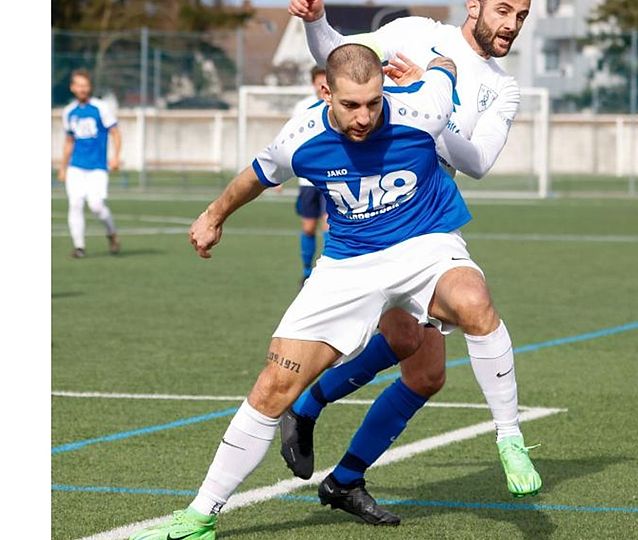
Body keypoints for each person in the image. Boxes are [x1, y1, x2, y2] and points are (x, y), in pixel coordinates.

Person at [130, 43, 523, 538]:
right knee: (274, 385)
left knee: (472, 303)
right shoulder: (301, 137)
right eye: (351, 105)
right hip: (349, 264)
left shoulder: (423, 108)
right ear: (326, 94)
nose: (364, 116)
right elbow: (256, 176)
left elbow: (444, 72)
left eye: (374, 102)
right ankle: (200, 514)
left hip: (426, 245)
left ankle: (509, 437)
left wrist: (437, 65)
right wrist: (212, 216)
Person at [280, 0, 539, 510]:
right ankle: (310, 417)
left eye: (522, 16)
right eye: (503, 10)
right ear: (475, 6)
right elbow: (339, 57)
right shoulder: (414, 32)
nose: (510, 25)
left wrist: (431, 103)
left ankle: (339, 467)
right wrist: (316, 22)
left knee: (423, 371)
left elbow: (481, 161)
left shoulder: (503, 87)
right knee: (410, 347)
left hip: (426, 220)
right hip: (376, 212)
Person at [58, 68, 121, 258]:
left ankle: (111, 233)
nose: (82, 89)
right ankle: (79, 247)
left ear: (90, 87)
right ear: (72, 87)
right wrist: (63, 167)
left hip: (97, 167)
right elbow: (69, 141)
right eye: (78, 85)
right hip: (76, 166)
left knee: (96, 206)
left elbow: (115, 132)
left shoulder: (100, 108)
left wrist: (116, 156)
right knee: (75, 203)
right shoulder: (69, 112)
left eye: (85, 85)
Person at [291, 66, 330, 287]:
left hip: (331, 178)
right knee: (308, 226)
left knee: (329, 226)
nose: (323, 84)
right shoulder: (302, 107)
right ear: (314, 83)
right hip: (308, 181)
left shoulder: (339, 104)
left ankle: (326, 273)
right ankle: (306, 270)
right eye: (319, 81)